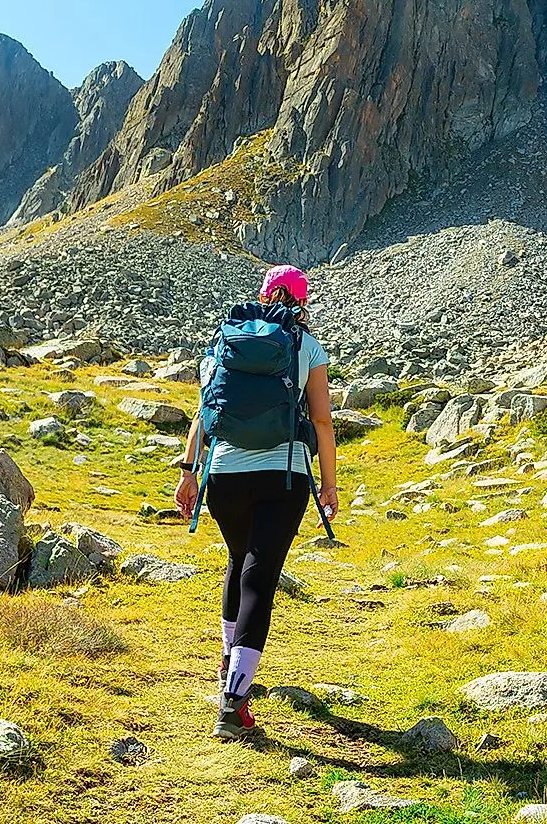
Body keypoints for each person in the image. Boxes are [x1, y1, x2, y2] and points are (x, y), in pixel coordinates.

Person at [174, 264, 338, 740]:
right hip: (282, 477)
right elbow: (323, 423)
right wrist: (329, 484)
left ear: (263, 295)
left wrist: (189, 472)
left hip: (223, 476)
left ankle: (230, 666)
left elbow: (206, 412)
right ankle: (233, 703)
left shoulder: (224, 342)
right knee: (260, 578)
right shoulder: (305, 346)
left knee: (237, 562)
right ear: (302, 303)